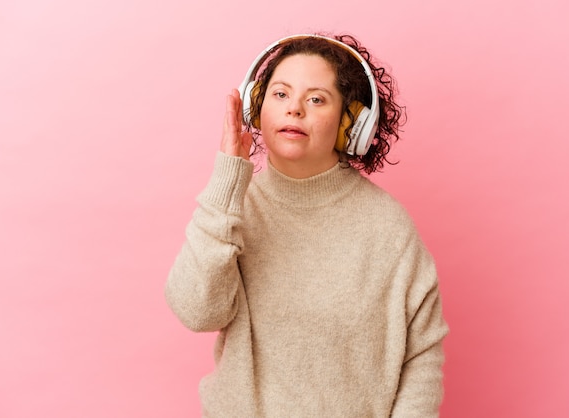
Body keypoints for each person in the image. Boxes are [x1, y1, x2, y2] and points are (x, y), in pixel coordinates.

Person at [165, 33, 449, 417]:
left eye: (316, 99)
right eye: (280, 94)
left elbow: (422, 356)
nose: (294, 108)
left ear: (351, 124)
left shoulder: (388, 228)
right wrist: (227, 176)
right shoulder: (233, 209)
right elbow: (196, 311)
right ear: (255, 107)